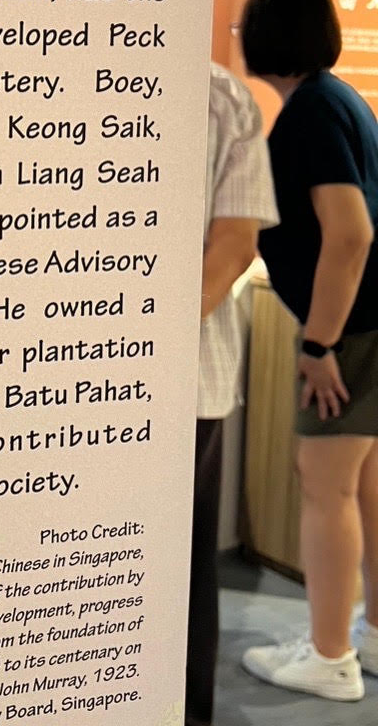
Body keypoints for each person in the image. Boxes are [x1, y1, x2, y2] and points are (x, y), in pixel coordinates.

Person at [240, 0, 378, 700]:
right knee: (363, 484)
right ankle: (368, 634)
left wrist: (320, 344)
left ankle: (330, 658)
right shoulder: (339, 99)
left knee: (325, 487)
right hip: (367, 323)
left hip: (351, 332)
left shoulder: (313, 114)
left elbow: (349, 235)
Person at [191, 58, 277, 724]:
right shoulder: (221, 94)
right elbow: (236, 243)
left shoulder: (221, 96)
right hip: (188, 374)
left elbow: (234, 245)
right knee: (184, 563)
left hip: (181, 376)